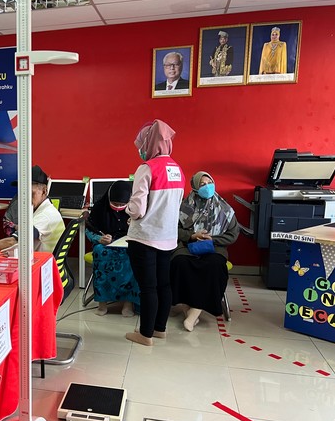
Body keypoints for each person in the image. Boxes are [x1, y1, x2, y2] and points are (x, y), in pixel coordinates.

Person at [124, 119, 185, 346]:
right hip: (168, 237)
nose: (141, 149)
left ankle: (145, 334)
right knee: (163, 285)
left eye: (142, 144)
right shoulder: (177, 169)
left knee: (147, 287)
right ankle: (160, 329)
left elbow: (137, 210)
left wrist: (127, 210)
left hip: (145, 238)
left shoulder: (147, 168)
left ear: (149, 143)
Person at [170, 172, 239, 331]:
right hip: (188, 245)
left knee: (214, 265)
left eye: (209, 183)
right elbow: (173, 229)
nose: (207, 187)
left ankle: (193, 313)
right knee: (180, 263)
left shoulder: (224, 209)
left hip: (215, 247)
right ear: (195, 187)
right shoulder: (184, 207)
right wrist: (192, 236)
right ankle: (188, 308)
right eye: (202, 184)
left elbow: (232, 235)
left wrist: (212, 239)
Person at [0, 165, 65, 254]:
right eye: (22, 192)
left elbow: (12, 242)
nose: (24, 197)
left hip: (41, 262)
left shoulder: (45, 216)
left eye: (29, 192)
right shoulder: (42, 210)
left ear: (44, 191)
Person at [85, 180, 140, 317]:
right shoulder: (99, 208)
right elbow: (89, 230)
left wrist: (134, 226)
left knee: (133, 256)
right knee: (100, 253)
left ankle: (128, 303)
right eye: (115, 204)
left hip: (127, 244)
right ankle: (102, 303)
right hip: (105, 244)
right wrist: (99, 239)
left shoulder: (135, 209)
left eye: (122, 205)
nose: (118, 207)